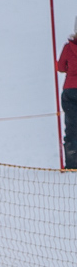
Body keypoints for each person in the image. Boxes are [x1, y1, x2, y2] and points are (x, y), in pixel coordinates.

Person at [57, 18, 76, 168]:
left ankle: (72, 163)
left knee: (72, 127)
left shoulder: (68, 47)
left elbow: (61, 67)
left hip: (70, 90)